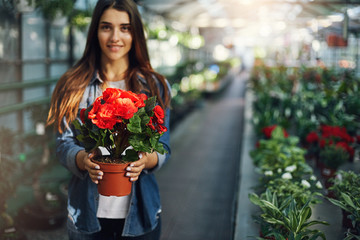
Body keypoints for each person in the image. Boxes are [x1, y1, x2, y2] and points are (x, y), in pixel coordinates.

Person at [46, 0, 171, 239]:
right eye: (106, 27)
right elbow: (63, 145)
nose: (115, 36)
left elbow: (164, 146)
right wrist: (83, 159)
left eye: (125, 28)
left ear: (136, 34)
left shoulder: (154, 85)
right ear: (95, 31)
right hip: (86, 216)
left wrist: (147, 160)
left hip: (142, 217)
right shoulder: (72, 85)